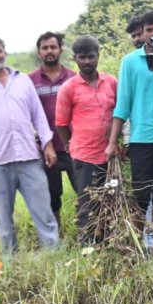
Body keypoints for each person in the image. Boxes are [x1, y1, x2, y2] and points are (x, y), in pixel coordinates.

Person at [0, 36, 59, 254]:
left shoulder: (22, 80)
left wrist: (48, 145)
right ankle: (10, 262)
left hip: (29, 159)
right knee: (4, 219)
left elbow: (38, 115)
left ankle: (54, 256)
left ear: (5, 53)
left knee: (44, 213)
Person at [105, 10, 153, 254]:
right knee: (140, 194)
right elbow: (123, 103)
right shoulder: (131, 62)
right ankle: (137, 248)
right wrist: (112, 141)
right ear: (143, 33)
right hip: (142, 138)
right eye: (150, 29)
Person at [54, 36, 117, 244]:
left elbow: (121, 113)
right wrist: (69, 144)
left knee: (111, 201)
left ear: (98, 56)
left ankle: (109, 244)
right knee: (88, 204)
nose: (87, 62)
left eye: (91, 56)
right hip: (84, 156)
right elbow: (61, 123)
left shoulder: (111, 83)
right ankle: (87, 248)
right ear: (75, 59)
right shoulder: (69, 88)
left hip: (111, 155)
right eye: (82, 58)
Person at [28, 31, 77, 229]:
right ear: (39, 52)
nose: (49, 51)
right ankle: (56, 237)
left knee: (86, 192)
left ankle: (89, 233)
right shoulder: (30, 81)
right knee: (51, 196)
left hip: (74, 147)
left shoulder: (73, 77)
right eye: (45, 48)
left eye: (53, 47)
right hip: (47, 149)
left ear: (60, 50)